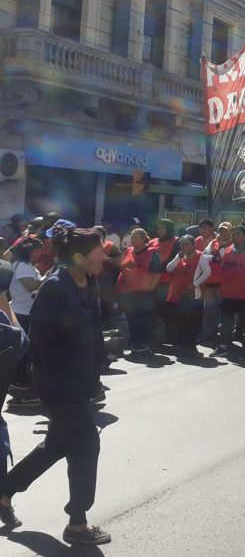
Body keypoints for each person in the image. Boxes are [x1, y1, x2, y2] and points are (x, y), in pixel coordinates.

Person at [0, 226, 110, 545]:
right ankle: (77, 524)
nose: (105, 256)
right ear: (78, 257)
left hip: (82, 381)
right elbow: (40, 344)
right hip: (58, 384)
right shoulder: (55, 287)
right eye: (99, 252)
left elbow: (94, 330)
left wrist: (95, 375)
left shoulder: (89, 281)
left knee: (59, 444)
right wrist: (58, 384)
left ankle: (5, 491)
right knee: (87, 444)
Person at [211, 225, 245, 357]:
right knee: (226, 320)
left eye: (238, 234)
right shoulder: (228, 251)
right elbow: (223, 270)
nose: (235, 236)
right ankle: (224, 346)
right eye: (234, 234)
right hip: (228, 292)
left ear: (244, 236)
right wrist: (221, 288)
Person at [7, 236, 42, 407]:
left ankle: (22, 389)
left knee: (26, 354)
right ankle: (23, 390)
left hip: (25, 312)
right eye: (38, 250)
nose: (40, 254)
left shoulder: (26, 266)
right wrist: (48, 279)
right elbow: (31, 286)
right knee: (25, 355)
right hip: (23, 314)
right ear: (31, 251)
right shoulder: (22, 267)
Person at [165, 235, 211, 358]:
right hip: (177, 294)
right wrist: (177, 258)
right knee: (179, 321)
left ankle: (191, 345)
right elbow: (169, 269)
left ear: (193, 244)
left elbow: (207, 272)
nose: (184, 246)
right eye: (182, 244)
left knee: (192, 321)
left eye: (187, 244)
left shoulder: (201, 256)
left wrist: (194, 284)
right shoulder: (180, 256)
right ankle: (180, 344)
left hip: (191, 295)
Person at [116, 228, 158, 354]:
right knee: (131, 318)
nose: (133, 239)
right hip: (125, 291)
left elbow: (157, 273)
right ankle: (133, 341)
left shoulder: (151, 252)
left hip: (142, 291)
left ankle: (140, 342)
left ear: (143, 238)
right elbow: (122, 266)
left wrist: (151, 287)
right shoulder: (128, 250)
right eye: (132, 237)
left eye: (136, 237)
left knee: (140, 318)